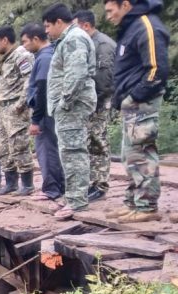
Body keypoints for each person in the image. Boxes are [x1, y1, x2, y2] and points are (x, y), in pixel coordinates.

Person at [104, 0, 170, 223]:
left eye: (111, 10)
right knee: (130, 154)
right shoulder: (131, 27)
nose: (108, 16)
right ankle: (133, 202)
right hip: (131, 104)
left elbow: (157, 69)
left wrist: (135, 96)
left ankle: (147, 206)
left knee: (141, 152)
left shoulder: (147, 25)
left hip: (142, 102)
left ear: (125, 5)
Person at [44, 3, 97, 219]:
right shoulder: (67, 39)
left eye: (48, 26)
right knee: (68, 150)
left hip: (72, 105)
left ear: (59, 22)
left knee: (74, 151)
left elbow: (76, 74)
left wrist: (64, 102)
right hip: (68, 106)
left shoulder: (74, 38)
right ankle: (72, 195)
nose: (46, 31)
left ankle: (77, 201)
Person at [74, 10, 118, 201]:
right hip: (88, 102)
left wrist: (96, 103)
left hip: (99, 101)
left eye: (75, 26)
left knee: (98, 141)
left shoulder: (103, 44)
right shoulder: (86, 43)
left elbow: (104, 78)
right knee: (89, 142)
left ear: (86, 25)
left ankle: (100, 185)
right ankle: (92, 182)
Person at [22, 23, 66, 202]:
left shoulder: (45, 58)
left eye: (25, 42)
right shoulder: (44, 56)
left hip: (45, 113)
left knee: (47, 150)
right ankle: (57, 186)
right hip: (47, 112)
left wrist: (35, 119)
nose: (24, 46)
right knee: (50, 149)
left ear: (36, 39)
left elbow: (42, 89)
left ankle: (52, 189)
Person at [0, 26, 36, 196]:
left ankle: (27, 184)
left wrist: (21, 104)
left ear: (5, 40)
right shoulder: (4, 58)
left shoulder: (22, 55)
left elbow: (29, 81)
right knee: (2, 147)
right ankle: (10, 183)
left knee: (19, 145)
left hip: (15, 107)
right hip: (1, 107)